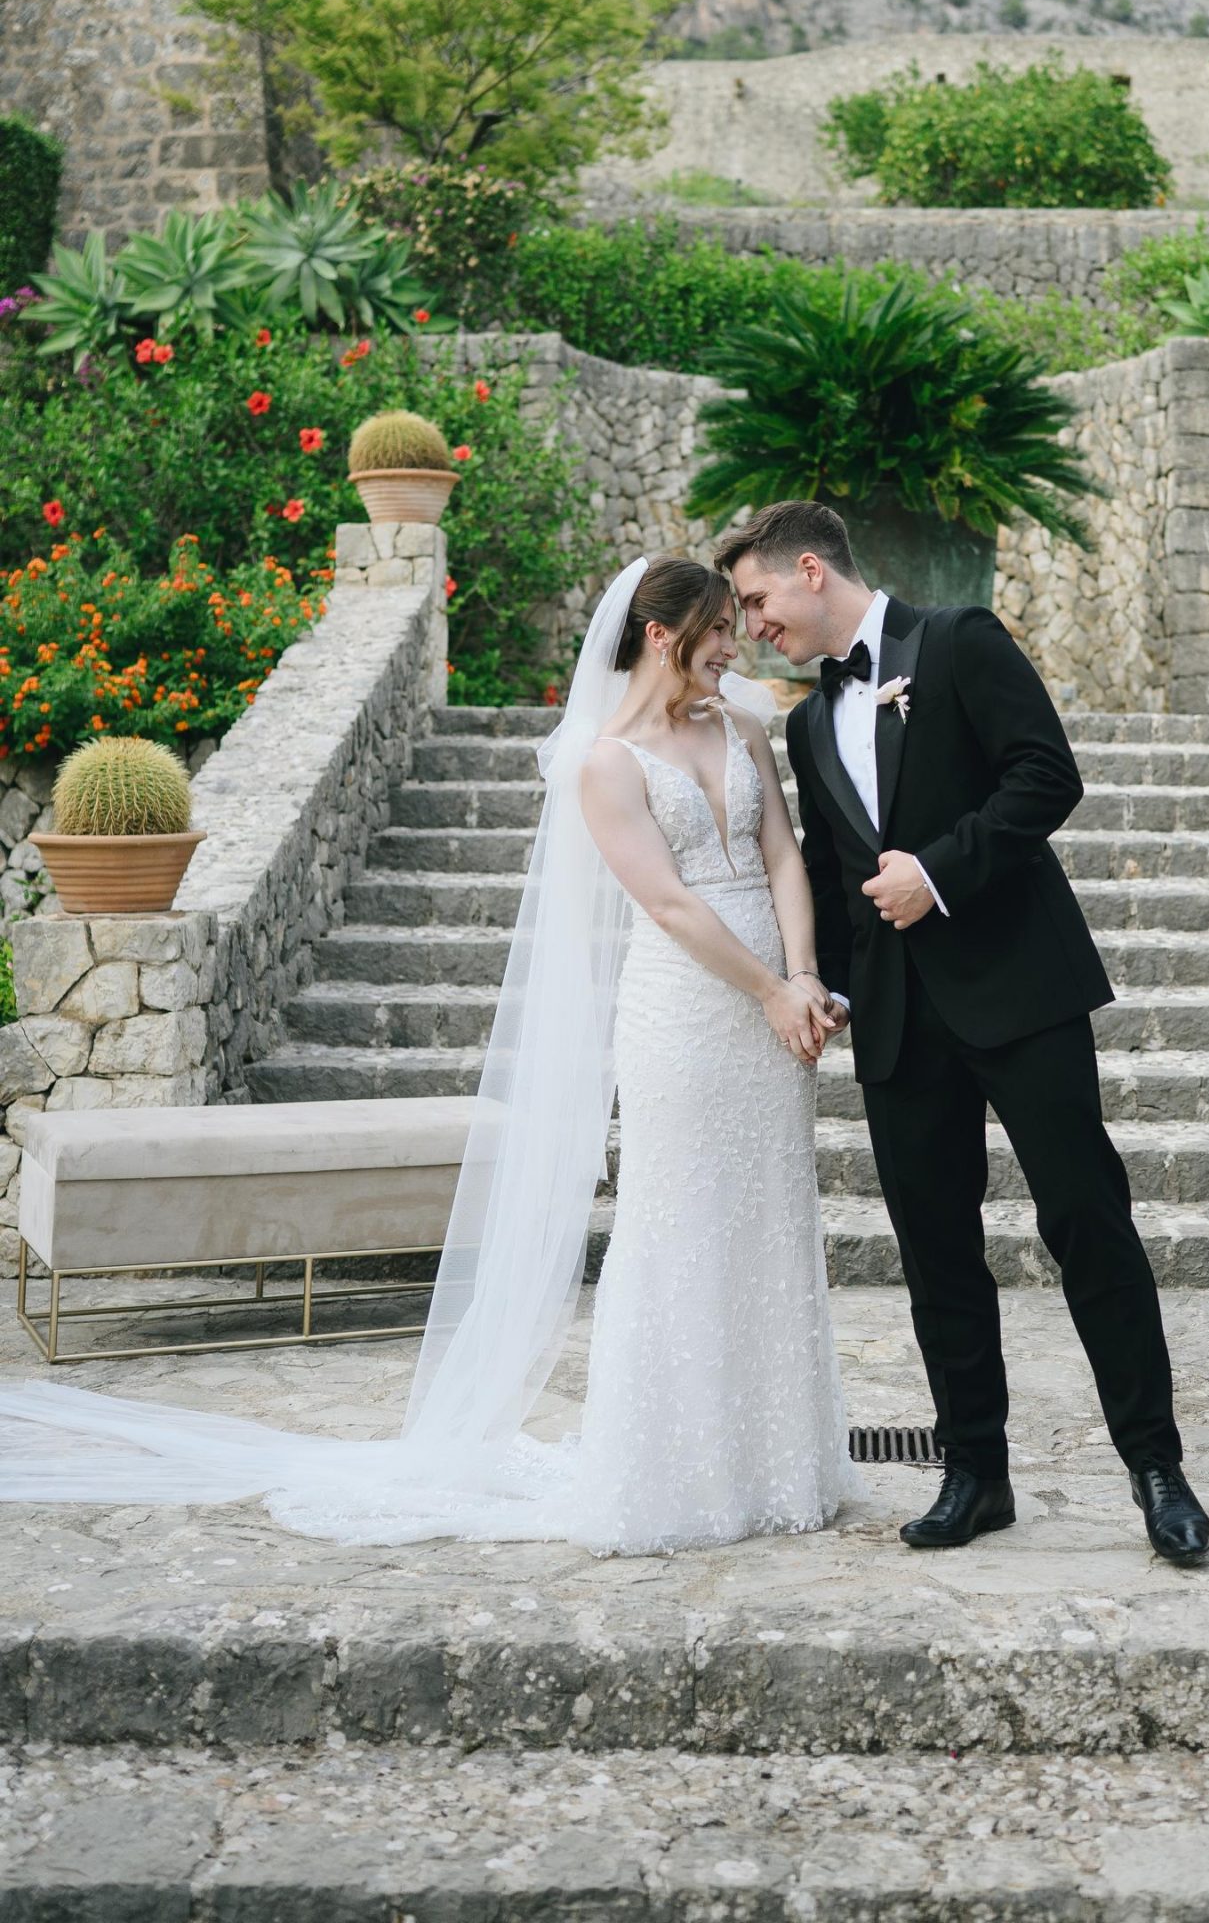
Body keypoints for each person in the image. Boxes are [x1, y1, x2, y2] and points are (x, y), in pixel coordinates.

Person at [0, 557, 862, 1554]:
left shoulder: (744, 727)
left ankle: (776, 1458)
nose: (736, 646)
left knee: (769, 1215)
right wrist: (766, 990)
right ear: (665, 636)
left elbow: (784, 857)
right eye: (719, 629)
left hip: (777, 1017)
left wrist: (803, 979)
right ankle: (676, 1468)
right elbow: (667, 904)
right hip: (688, 1013)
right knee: (680, 1224)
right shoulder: (604, 762)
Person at [715, 498, 1209, 1565]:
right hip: (898, 1023)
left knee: (1088, 1221)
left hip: (1020, 991)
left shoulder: (958, 641)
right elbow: (849, 877)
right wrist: (827, 988)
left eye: (757, 599)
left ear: (810, 570)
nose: (754, 624)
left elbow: (1047, 776)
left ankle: (1157, 1467)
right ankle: (974, 1473)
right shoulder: (807, 723)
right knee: (937, 1254)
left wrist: (939, 870)